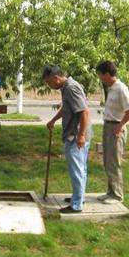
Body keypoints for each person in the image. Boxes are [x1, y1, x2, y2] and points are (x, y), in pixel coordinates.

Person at [43, 66, 92, 214]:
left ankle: (76, 205)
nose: (49, 86)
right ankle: (79, 197)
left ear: (56, 78)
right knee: (80, 168)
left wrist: (81, 135)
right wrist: (53, 120)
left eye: (48, 82)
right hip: (77, 134)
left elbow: (84, 112)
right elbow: (67, 108)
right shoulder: (66, 87)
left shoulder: (71, 88)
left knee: (77, 170)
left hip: (76, 135)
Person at [96, 61, 129, 204]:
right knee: (108, 161)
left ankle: (117, 195)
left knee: (114, 162)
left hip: (116, 128)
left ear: (107, 74)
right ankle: (110, 192)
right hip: (108, 127)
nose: (100, 79)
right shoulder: (111, 88)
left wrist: (120, 125)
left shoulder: (121, 88)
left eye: (101, 75)